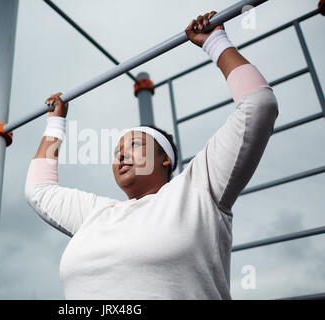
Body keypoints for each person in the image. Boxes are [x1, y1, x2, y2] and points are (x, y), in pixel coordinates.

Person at [24, 11, 279, 299]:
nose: (121, 155)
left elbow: (257, 105)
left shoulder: (198, 189)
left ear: (165, 159)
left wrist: (216, 43)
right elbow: (39, 190)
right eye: (117, 151)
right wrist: (55, 124)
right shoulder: (96, 214)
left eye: (134, 145)